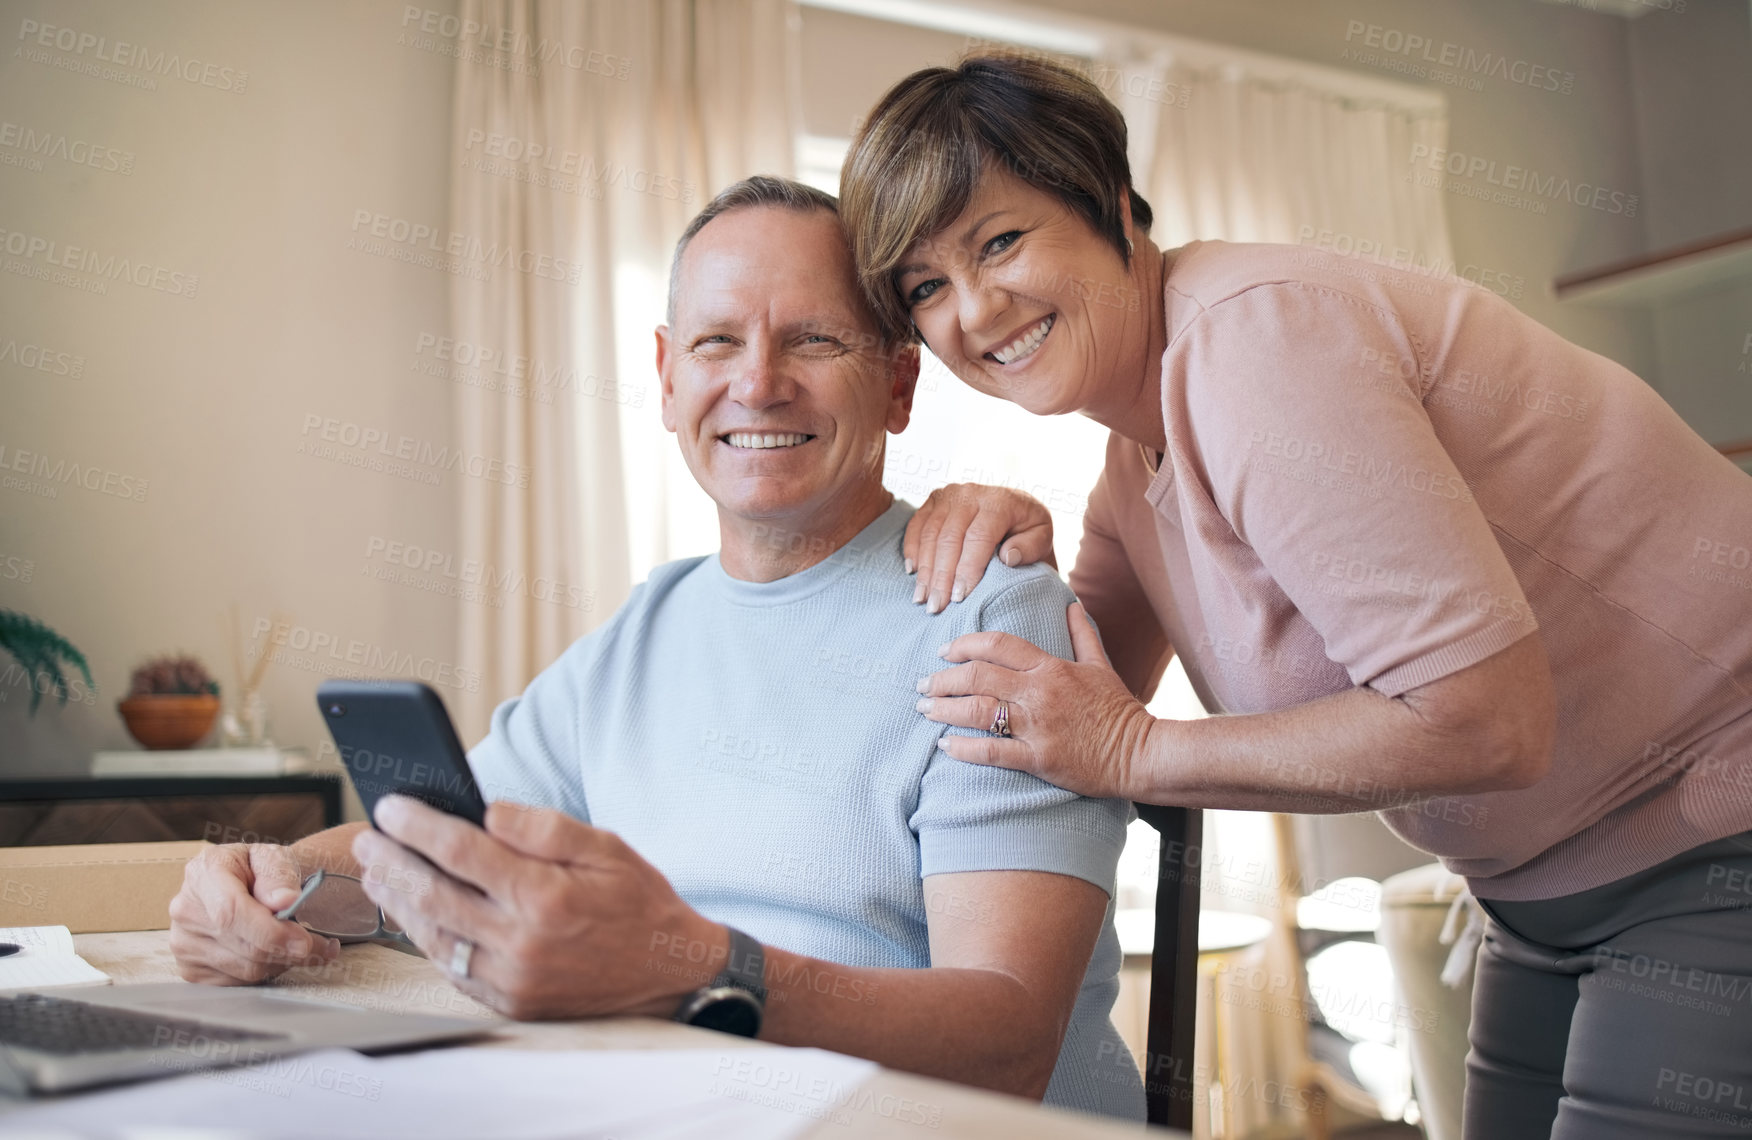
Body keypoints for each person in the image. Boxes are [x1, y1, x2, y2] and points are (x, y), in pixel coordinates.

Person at [836, 53, 1752, 1140]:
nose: (976, 308)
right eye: (926, 287)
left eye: (1001, 240)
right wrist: (1007, 545)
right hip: (1541, 891)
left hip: (1711, 838)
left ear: (1116, 210)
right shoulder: (1136, 463)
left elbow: (1487, 721)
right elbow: (1061, 705)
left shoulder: (1252, 343)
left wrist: (1134, 751)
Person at [167, 176, 1146, 1122]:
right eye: (718, 342)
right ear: (668, 378)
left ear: (897, 385)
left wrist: (695, 970)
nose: (757, 384)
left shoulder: (996, 615)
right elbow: (433, 845)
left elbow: (1011, 1040)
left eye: (812, 340)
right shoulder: (648, 628)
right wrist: (270, 886)